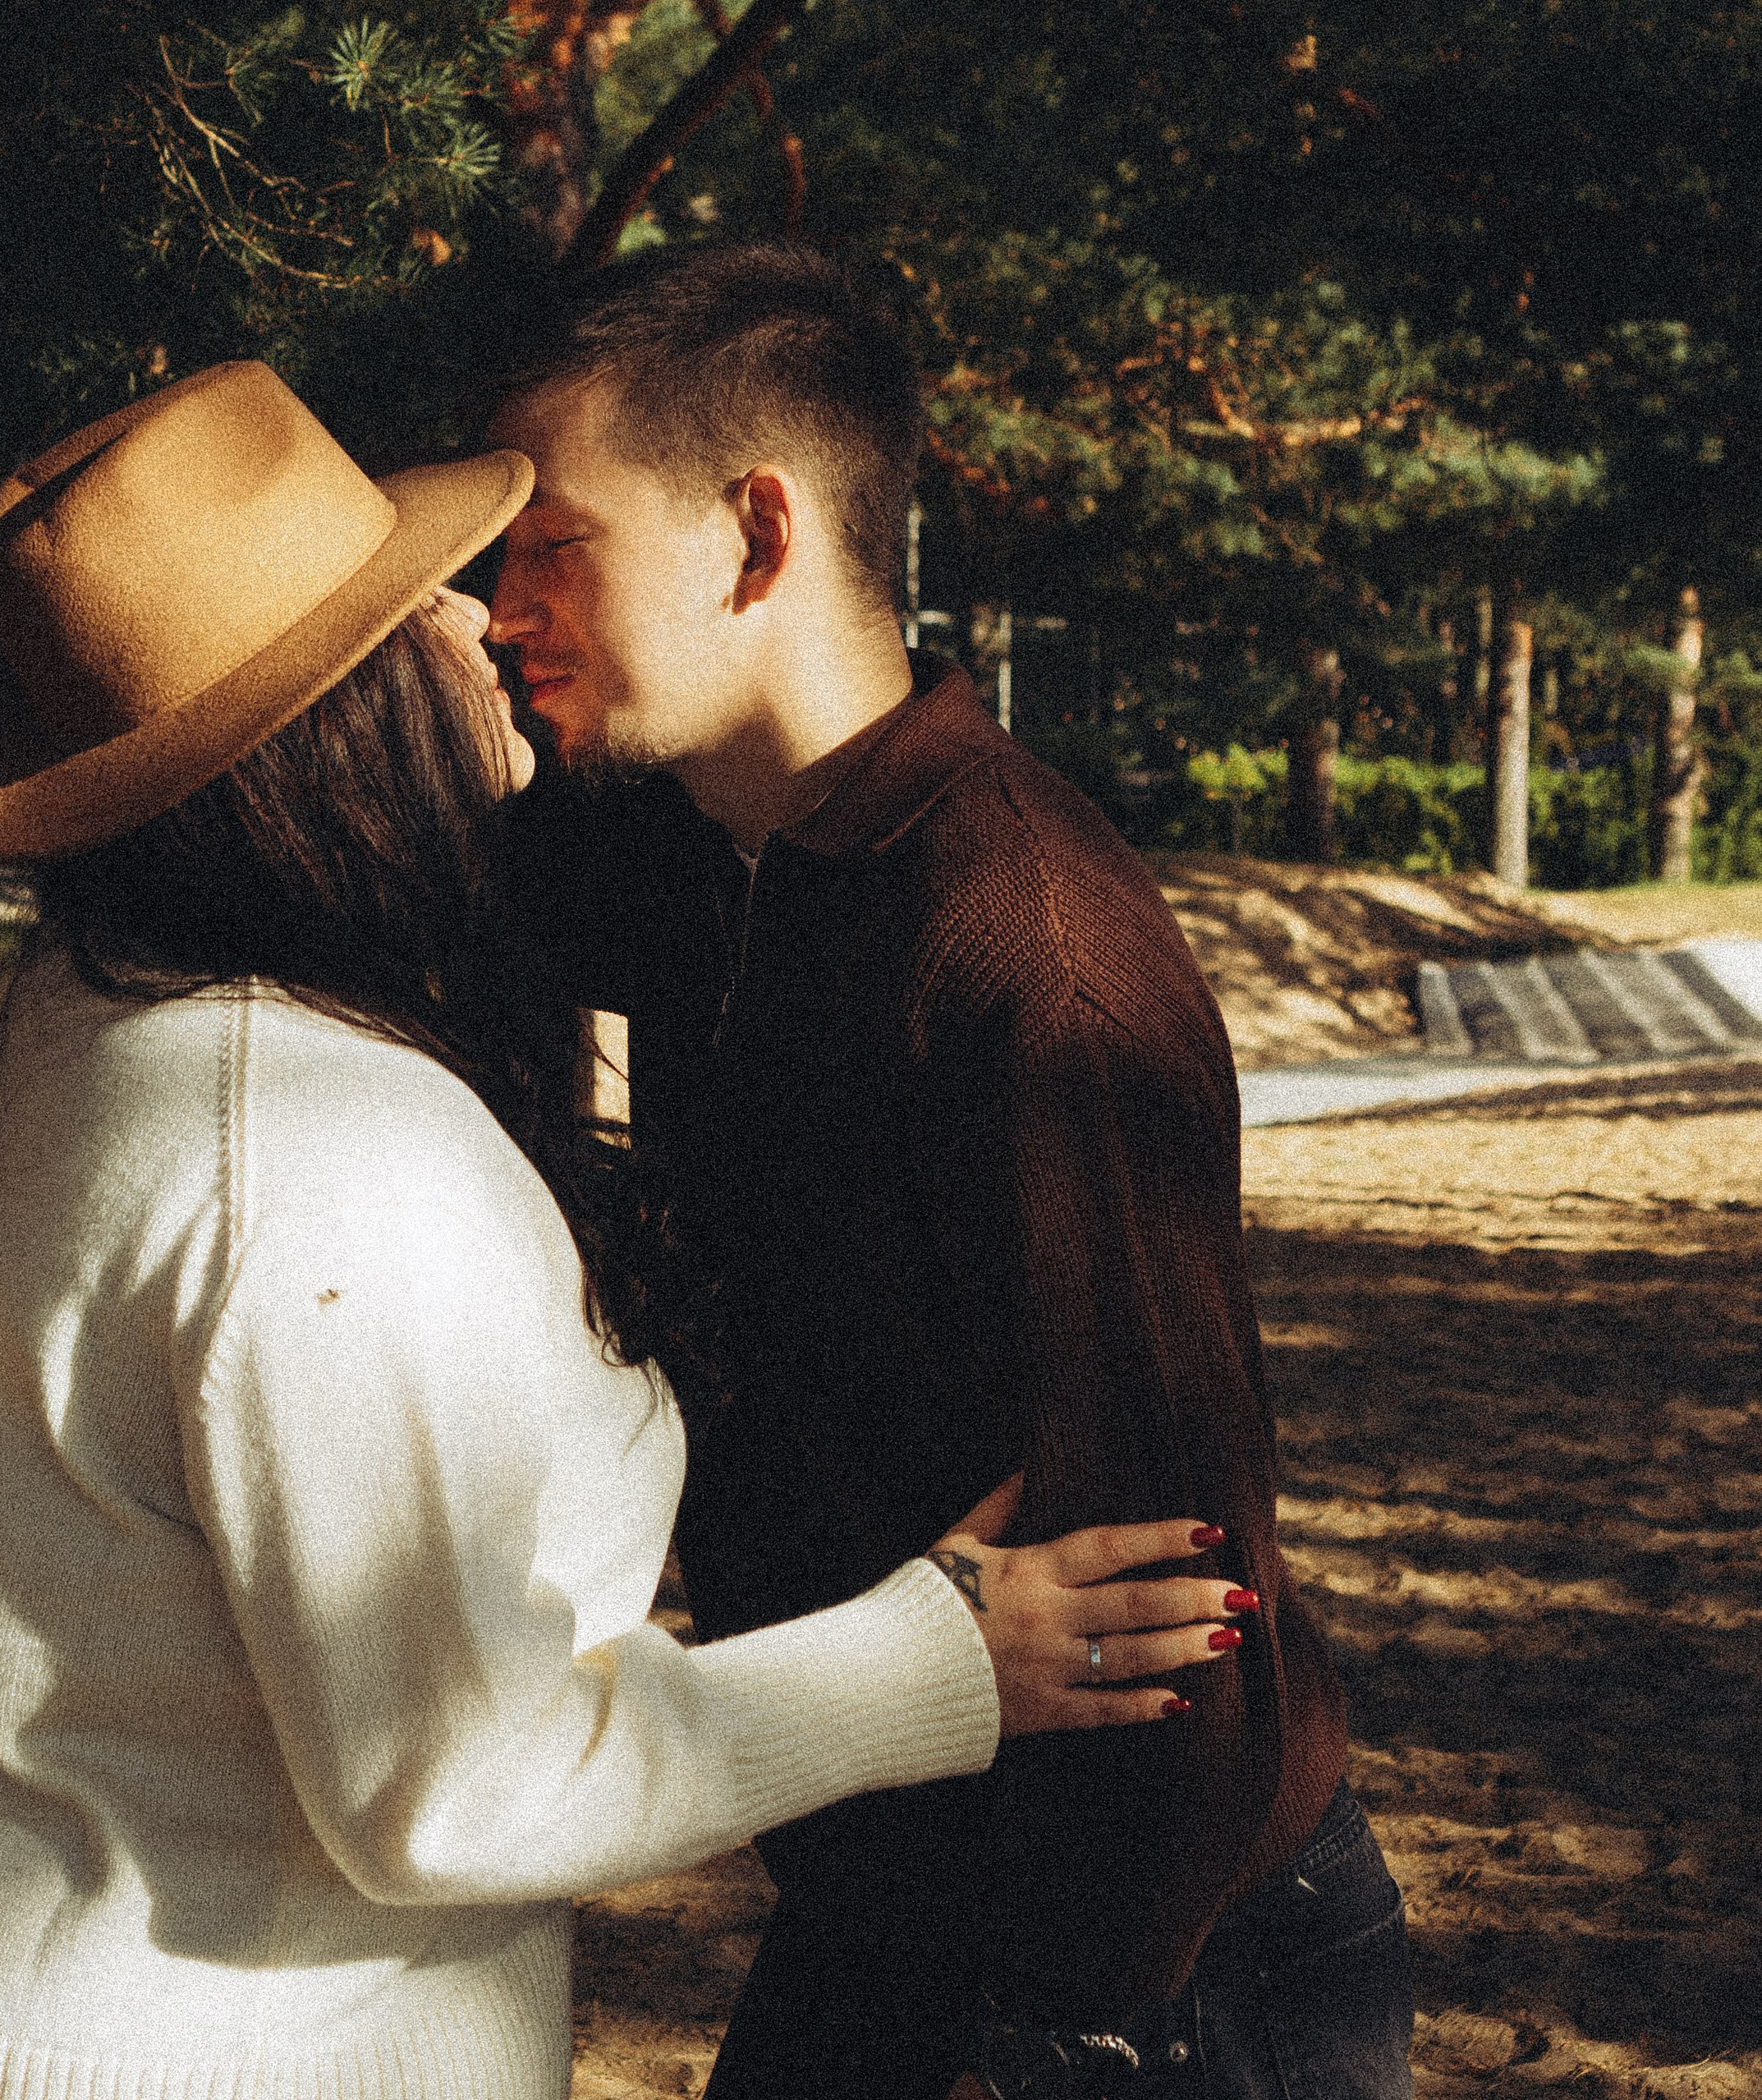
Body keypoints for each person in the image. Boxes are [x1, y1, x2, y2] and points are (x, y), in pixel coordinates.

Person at [0, 323, 1243, 2100]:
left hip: (87, 2006)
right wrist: (933, 1657)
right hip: (233, 2046)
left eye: (518, 556)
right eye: (412, 598)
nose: (477, 624)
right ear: (329, 732)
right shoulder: (320, 1162)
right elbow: (462, 1776)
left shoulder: (113, 998)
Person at [475, 244, 1414, 2100]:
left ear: (757, 534)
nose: (497, 612)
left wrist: (1067, 2028)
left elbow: (1184, 1600)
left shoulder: (1021, 950)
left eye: (548, 546)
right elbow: (293, 816)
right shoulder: (713, 865)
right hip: (903, 1891)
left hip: (1145, 1966)